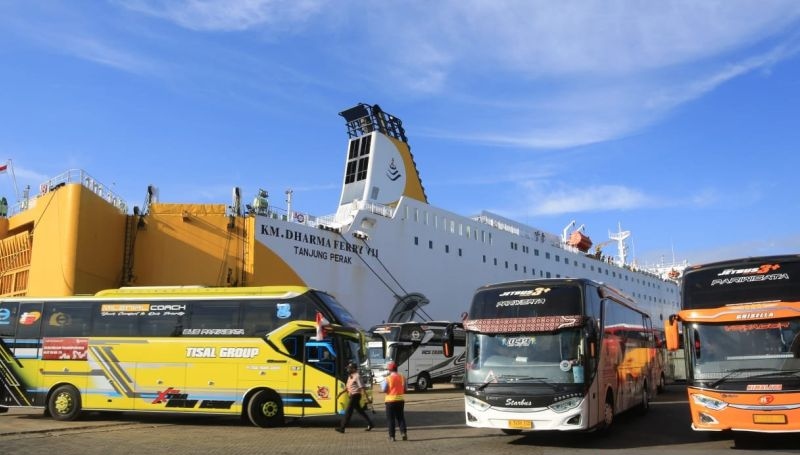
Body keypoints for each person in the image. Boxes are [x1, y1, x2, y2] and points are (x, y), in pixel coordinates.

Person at [335, 362, 373, 433]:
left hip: (355, 396)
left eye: (350, 368)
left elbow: (362, 388)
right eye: (348, 368)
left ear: (354, 369)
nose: (348, 369)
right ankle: (370, 424)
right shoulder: (350, 376)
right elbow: (347, 387)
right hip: (352, 396)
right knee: (360, 411)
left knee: (348, 411)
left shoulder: (357, 376)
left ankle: (342, 428)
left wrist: (367, 398)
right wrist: (340, 393)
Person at [382, 360, 407, 441]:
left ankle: (392, 436)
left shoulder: (387, 378)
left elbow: (384, 390)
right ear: (396, 369)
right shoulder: (402, 377)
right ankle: (403, 433)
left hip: (390, 401)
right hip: (400, 400)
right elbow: (405, 389)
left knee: (391, 419)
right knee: (401, 418)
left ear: (389, 370)